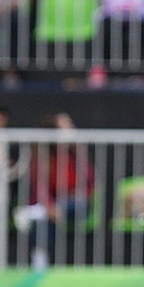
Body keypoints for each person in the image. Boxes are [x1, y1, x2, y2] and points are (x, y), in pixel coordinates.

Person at [22, 112, 95, 269]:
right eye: (65, 125)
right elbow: (40, 187)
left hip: (77, 204)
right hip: (52, 206)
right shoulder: (42, 154)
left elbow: (89, 181)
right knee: (45, 219)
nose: (71, 129)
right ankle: (40, 264)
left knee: (70, 205)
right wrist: (50, 207)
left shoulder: (77, 151)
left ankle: (38, 211)